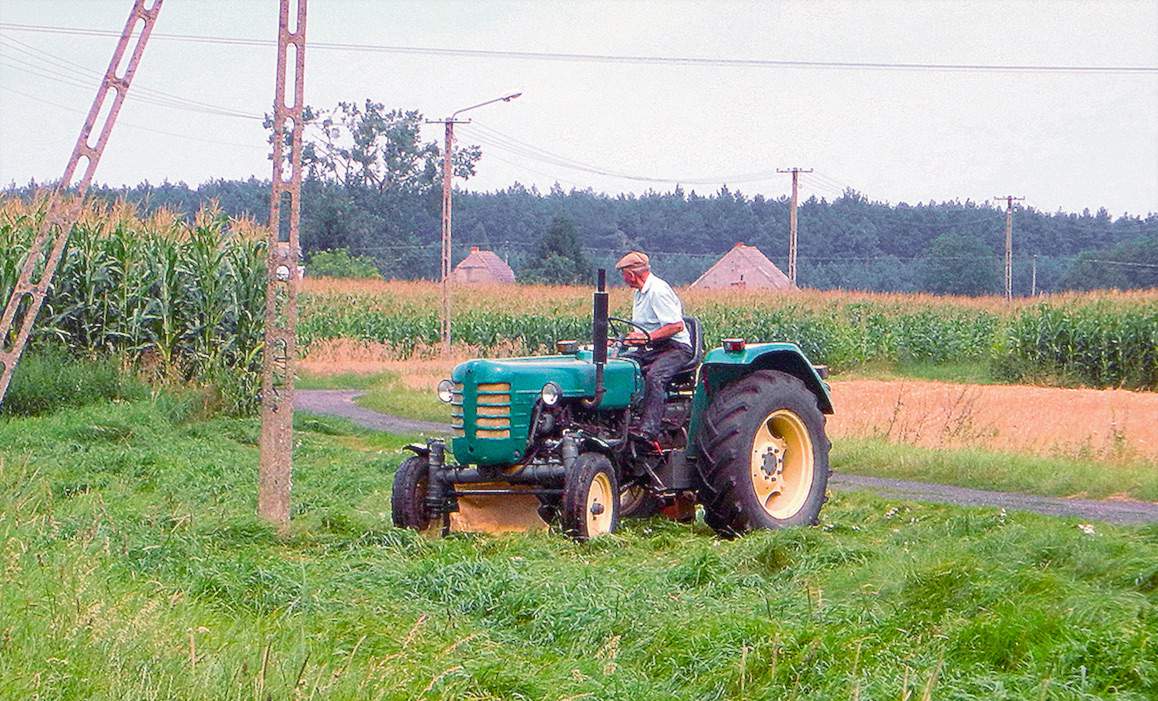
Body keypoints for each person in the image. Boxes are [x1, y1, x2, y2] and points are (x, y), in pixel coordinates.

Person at [614, 251, 694, 442]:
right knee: (622, 365)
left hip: (675, 348)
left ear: (632, 274)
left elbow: (676, 326)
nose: (623, 279)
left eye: (624, 274)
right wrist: (626, 339)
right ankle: (622, 418)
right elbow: (646, 328)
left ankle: (649, 430)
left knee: (655, 376)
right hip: (654, 347)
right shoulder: (639, 294)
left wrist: (646, 337)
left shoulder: (658, 291)